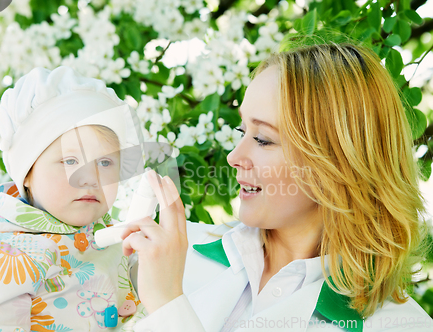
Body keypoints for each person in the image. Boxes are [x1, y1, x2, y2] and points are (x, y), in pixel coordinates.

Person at [121, 41, 433, 331]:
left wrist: (168, 307)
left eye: (263, 139)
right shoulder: (169, 256)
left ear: (337, 164)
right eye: (241, 130)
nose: (234, 156)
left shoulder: (399, 325)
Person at [0, 66, 148, 331]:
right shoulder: (4, 255)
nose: (90, 178)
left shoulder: (118, 238)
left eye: (105, 162)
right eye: (70, 161)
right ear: (27, 174)